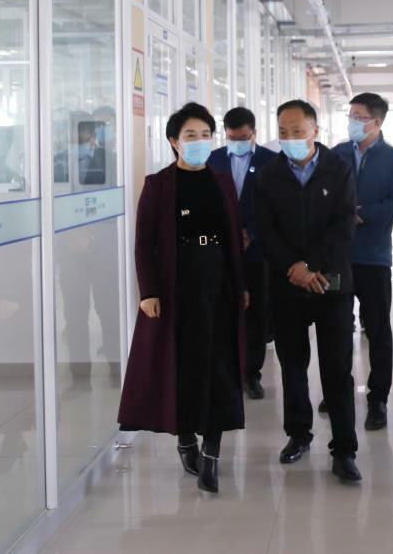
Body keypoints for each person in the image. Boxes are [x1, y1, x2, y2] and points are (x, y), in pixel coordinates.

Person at [116, 102, 248, 495]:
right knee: (184, 365)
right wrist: (149, 292)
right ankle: (186, 437)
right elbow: (144, 244)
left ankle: (212, 451)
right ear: (175, 141)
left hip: (218, 281)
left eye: (206, 135)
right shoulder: (159, 185)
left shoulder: (222, 182)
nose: (199, 141)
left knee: (219, 364)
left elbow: (233, 238)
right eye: (191, 135)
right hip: (177, 284)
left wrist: (241, 285)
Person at [254, 99, 362, 483]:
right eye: (283, 131)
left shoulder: (338, 168)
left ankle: (344, 449)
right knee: (292, 365)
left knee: (337, 368)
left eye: (297, 131)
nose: (290, 137)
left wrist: (312, 266)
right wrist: (294, 268)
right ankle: (298, 435)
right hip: (286, 285)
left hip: (331, 282)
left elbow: (344, 225)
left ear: (315, 130)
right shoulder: (268, 175)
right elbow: (265, 229)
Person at [332, 92, 393, 431]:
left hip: (374, 258)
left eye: (358, 116)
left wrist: (359, 214)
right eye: (350, 115)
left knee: (378, 330)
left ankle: (378, 398)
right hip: (337, 257)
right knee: (336, 328)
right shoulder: (335, 155)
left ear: (376, 122)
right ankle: (337, 389)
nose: (352, 121)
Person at [208, 107, 279, 400]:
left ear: (254, 133)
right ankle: (226, 373)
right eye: (232, 138)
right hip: (221, 249)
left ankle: (251, 374)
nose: (237, 142)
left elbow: (275, 206)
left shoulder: (270, 161)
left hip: (256, 250)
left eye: (243, 137)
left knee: (256, 312)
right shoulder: (212, 160)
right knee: (223, 309)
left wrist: (251, 232)